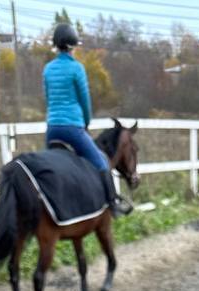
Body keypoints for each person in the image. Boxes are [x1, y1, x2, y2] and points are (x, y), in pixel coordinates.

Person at [43, 22, 132, 216]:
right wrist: (85, 123)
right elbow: (85, 101)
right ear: (73, 46)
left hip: (52, 130)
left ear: (56, 45)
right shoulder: (77, 68)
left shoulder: (48, 69)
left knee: (49, 171)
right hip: (73, 129)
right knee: (101, 162)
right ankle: (112, 205)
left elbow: (48, 98)